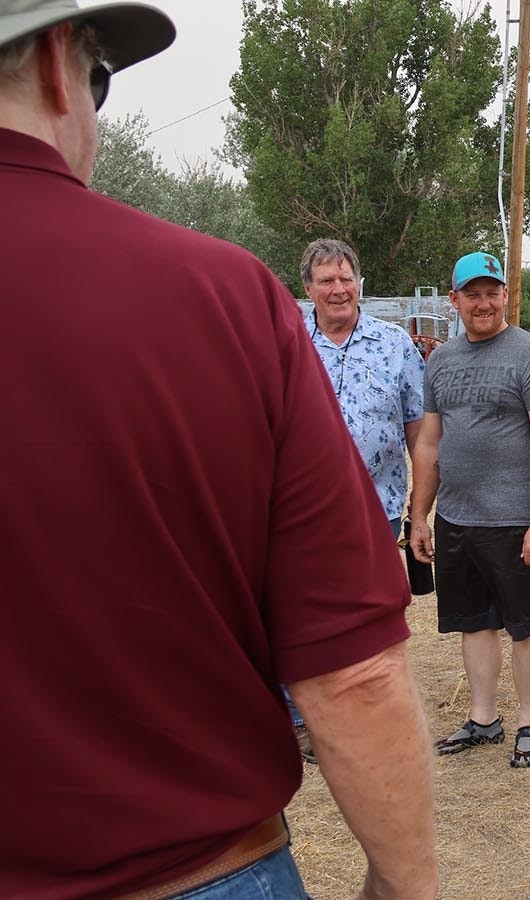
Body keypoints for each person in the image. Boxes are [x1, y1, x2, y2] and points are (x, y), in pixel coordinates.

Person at [0, 3, 437, 896]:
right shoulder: (218, 298)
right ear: (56, 65)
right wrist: (405, 885)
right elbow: (352, 675)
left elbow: (417, 425)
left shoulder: (374, 341)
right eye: (98, 77)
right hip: (187, 871)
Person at [409, 251, 530, 768]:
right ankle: (483, 719)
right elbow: (430, 444)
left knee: (523, 624)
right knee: (473, 623)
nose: (483, 303)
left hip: (514, 522)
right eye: (471, 294)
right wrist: (420, 515)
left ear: (505, 295)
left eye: (491, 292)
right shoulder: (442, 360)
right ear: (453, 300)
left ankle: (528, 722)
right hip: (457, 518)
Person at [287, 237, 425, 763]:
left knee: (362, 615)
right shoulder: (285, 341)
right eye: (326, 280)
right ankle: (301, 721)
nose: (338, 288)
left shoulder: (395, 345)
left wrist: (419, 511)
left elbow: (420, 432)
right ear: (309, 289)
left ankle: (361, 715)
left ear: (359, 282)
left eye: (346, 278)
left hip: (378, 505)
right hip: (298, 509)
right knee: (298, 613)